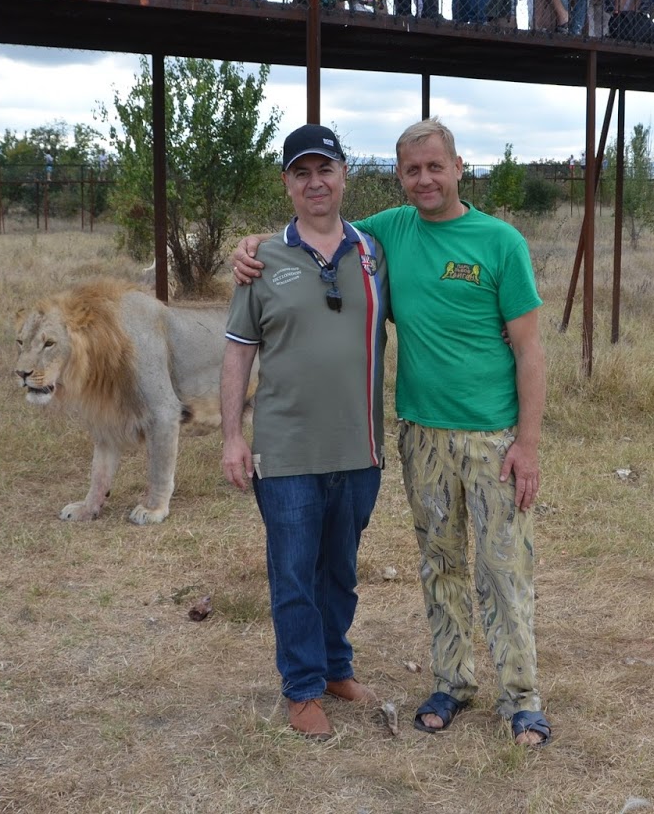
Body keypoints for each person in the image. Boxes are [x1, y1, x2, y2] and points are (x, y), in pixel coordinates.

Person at [231, 117, 551, 747]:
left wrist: (529, 443)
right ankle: (453, 683)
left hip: (492, 438)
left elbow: (531, 349)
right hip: (422, 437)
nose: (425, 179)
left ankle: (521, 698)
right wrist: (250, 247)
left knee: (503, 567)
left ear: (459, 168)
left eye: (436, 166)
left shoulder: (500, 243)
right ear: (398, 177)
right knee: (440, 564)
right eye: (412, 169)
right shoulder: (385, 237)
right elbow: (312, 236)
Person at [220, 123, 388, 742]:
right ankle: (301, 687)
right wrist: (232, 437)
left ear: (344, 176)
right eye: (301, 172)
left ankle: (336, 667)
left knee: (339, 570)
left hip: (359, 448)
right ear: (287, 184)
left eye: (325, 170)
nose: (315, 182)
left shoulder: (374, 253)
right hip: (285, 452)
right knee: (292, 571)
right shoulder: (261, 260)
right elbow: (238, 352)